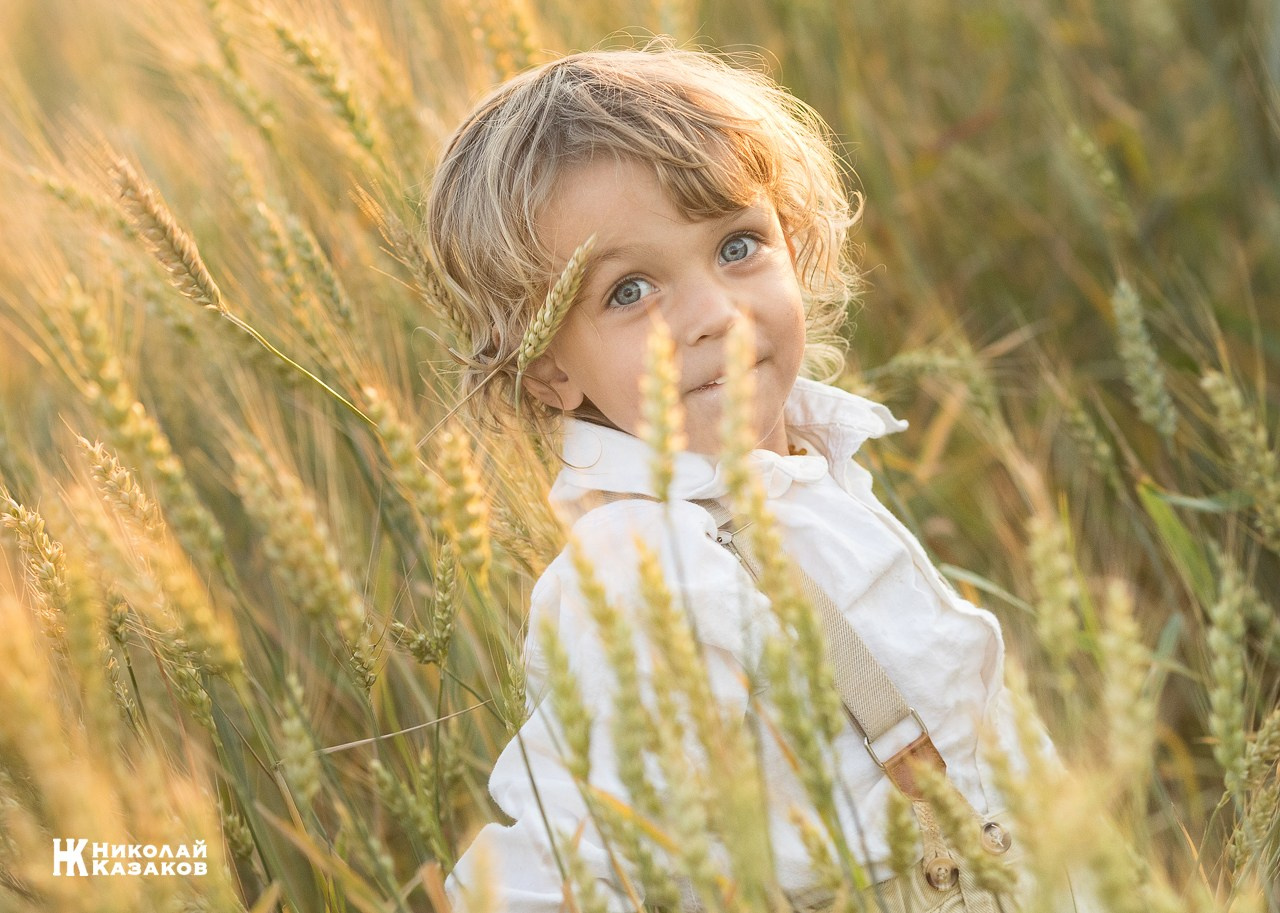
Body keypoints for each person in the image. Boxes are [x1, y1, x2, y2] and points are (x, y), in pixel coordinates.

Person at [427, 41, 1069, 913]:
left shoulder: (813, 471)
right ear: (547, 370)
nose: (714, 315)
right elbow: (558, 867)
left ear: (793, 244)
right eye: (628, 291)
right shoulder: (643, 572)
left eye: (737, 245)